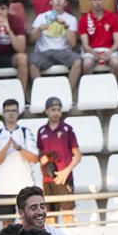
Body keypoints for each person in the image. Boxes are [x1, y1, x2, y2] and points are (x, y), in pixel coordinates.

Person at [0, 99, 39, 220]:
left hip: (24, 186)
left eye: (13, 110)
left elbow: (34, 158)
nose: (11, 114)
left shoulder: (25, 132)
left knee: (28, 223)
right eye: (7, 111)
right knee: (7, 227)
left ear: (18, 113)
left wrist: (20, 149)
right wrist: (7, 146)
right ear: (3, 113)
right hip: (3, 187)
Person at [36, 96, 81, 225]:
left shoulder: (67, 129)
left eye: (58, 109)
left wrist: (66, 172)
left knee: (68, 214)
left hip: (64, 178)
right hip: (48, 179)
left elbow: (77, 155)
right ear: (46, 111)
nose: (56, 112)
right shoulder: (41, 131)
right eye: (53, 109)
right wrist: (43, 159)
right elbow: (39, 153)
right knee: (49, 216)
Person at [30, 0, 82, 90]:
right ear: (50, 1)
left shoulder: (71, 19)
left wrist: (66, 26)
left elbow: (73, 43)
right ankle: (41, 92)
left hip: (63, 52)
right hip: (44, 52)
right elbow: (31, 40)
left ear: (66, 3)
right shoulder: (41, 17)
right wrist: (39, 29)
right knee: (32, 62)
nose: (58, 0)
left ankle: (68, 93)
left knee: (78, 62)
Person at [79, 0, 118, 76]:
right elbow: (85, 45)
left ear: (104, 0)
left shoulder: (112, 17)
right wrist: (94, 53)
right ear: (89, 1)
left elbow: (117, 43)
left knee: (116, 63)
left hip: (109, 49)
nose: (97, 3)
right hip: (91, 50)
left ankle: (113, 87)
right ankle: (89, 87)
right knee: (87, 64)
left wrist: (109, 52)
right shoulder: (83, 20)